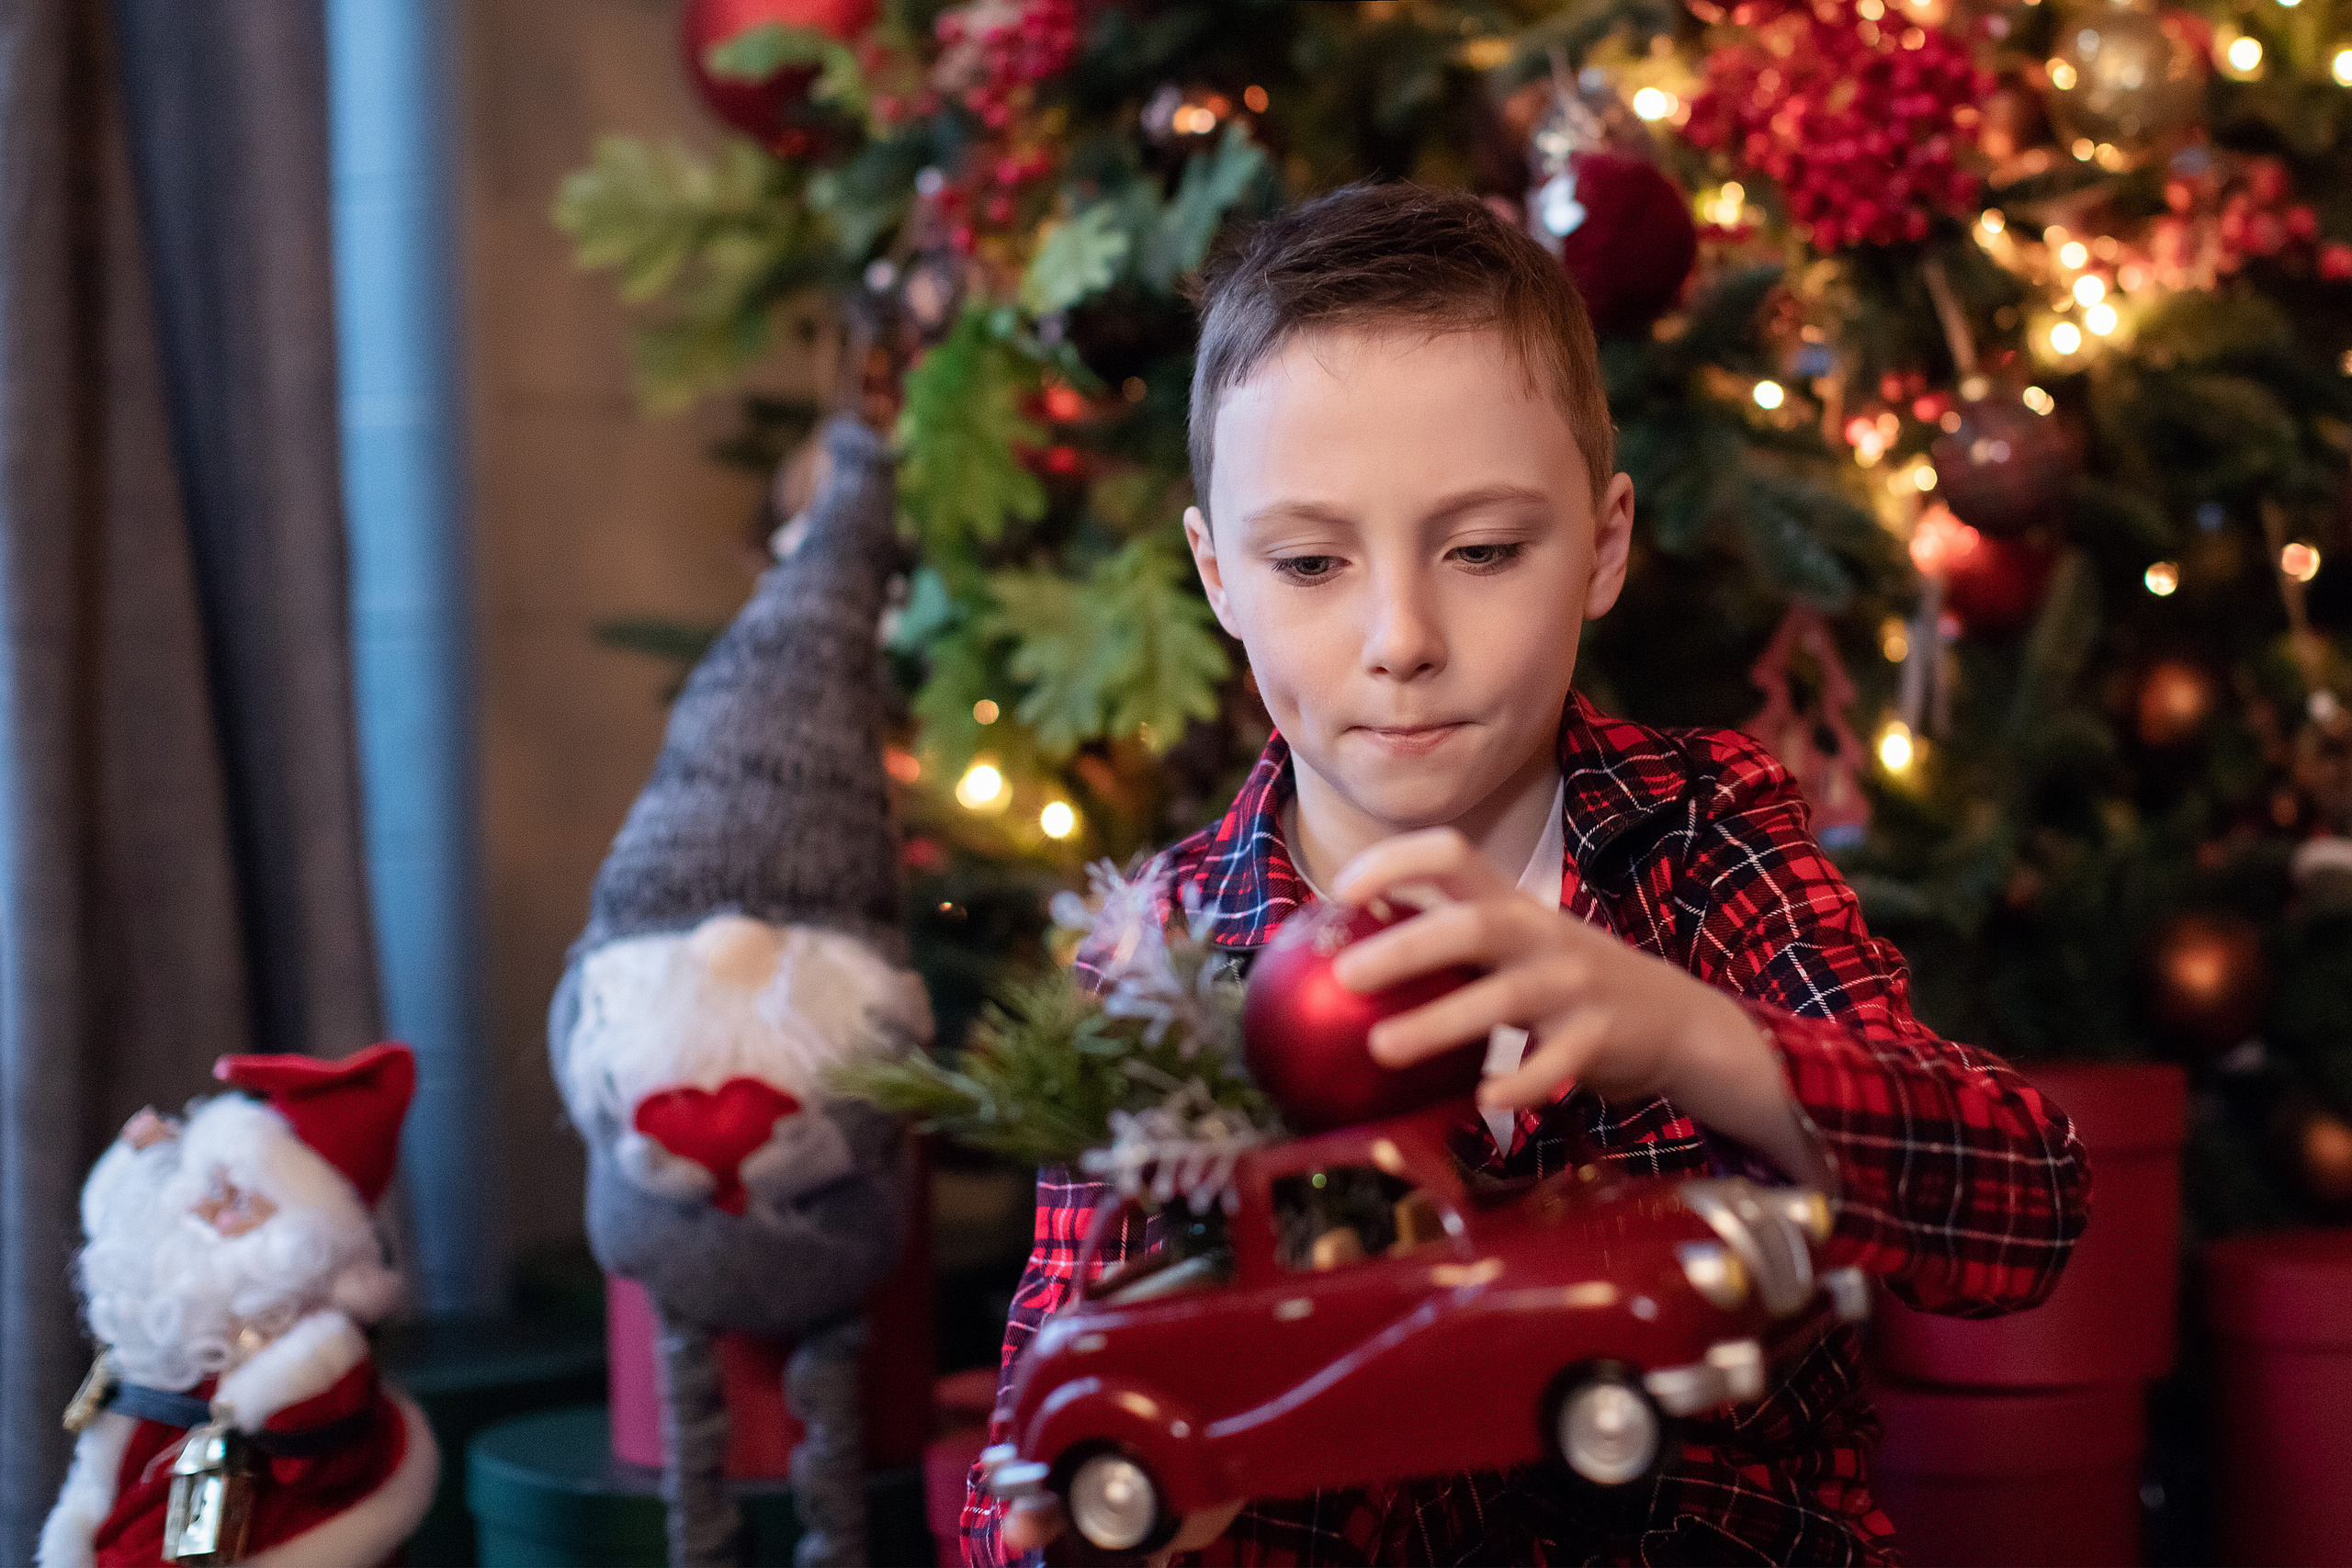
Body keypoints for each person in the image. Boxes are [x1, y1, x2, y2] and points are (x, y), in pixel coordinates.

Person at [959, 182, 2090, 1566]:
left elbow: (2020, 1214)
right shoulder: (1165, 958)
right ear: (1217, 576)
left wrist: (1693, 1037)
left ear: (1603, 545)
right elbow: (1033, 1449)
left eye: (1485, 550)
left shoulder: (1702, 834)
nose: (1402, 637)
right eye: (1311, 563)